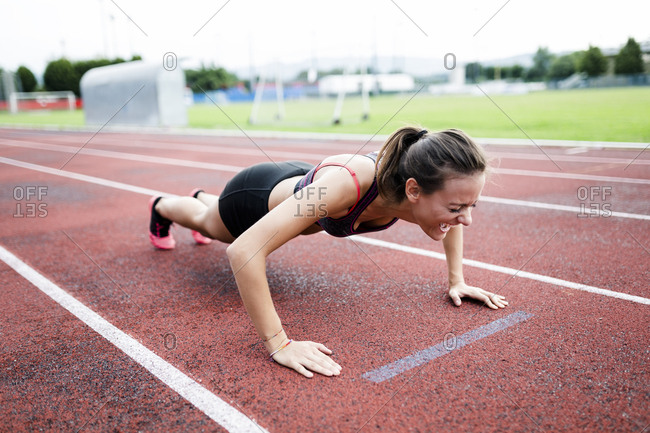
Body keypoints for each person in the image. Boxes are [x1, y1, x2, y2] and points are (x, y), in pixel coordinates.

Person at [148, 126, 508, 378]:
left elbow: (449, 222)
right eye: (458, 207)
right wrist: (280, 344)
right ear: (414, 191)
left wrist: (457, 280)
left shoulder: (419, 188)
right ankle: (164, 205)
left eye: (471, 206)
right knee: (207, 223)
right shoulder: (349, 186)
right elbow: (244, 252)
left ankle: (202, 198)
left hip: (299, 188)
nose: (467, 219)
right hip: (252, 199)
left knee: (213, 215)